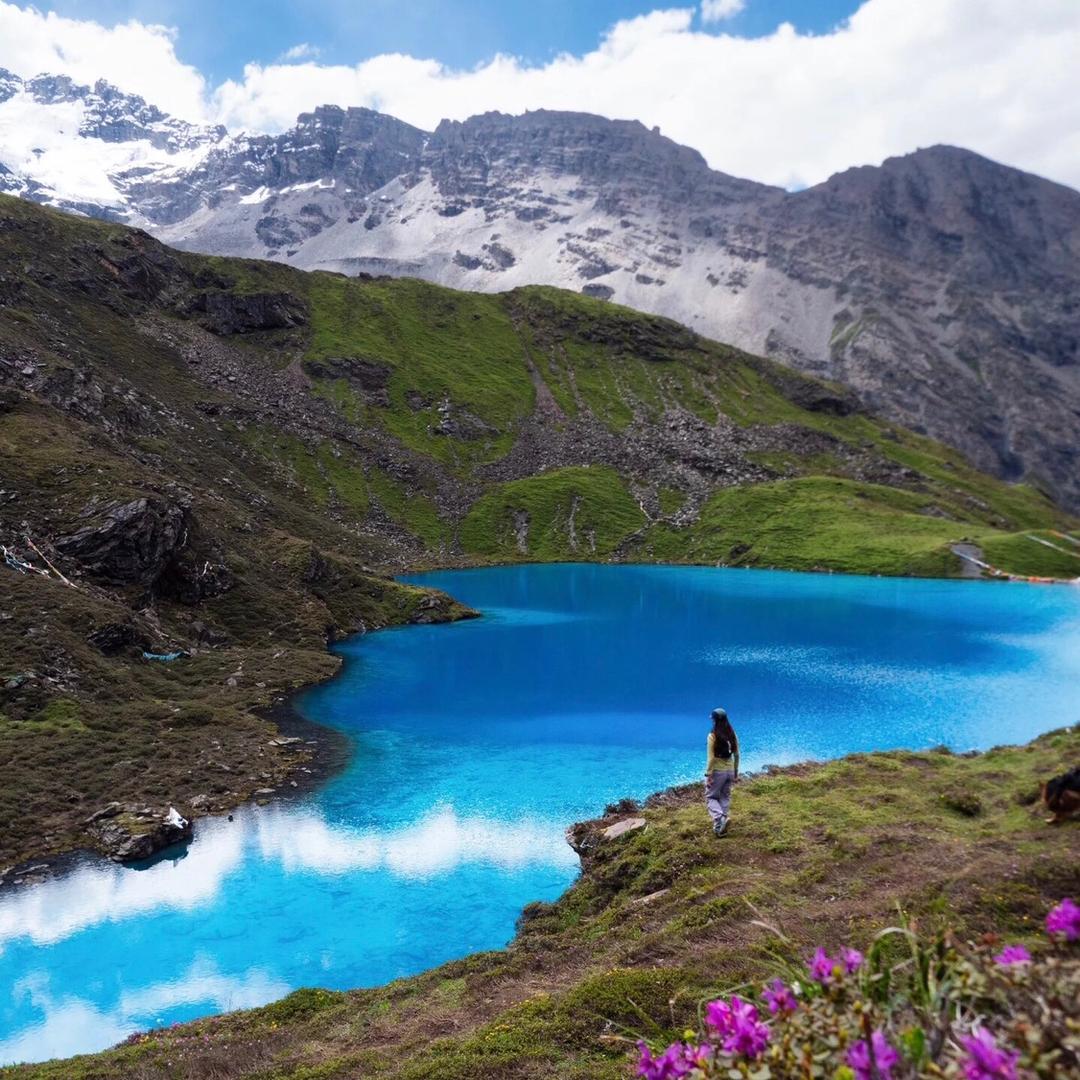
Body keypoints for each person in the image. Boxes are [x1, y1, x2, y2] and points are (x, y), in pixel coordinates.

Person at [705, 707, 739, 837]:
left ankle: (720, 819)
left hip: (717, 772)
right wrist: (735, 772)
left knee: (711, 797)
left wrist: (708, 775)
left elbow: (711, 758)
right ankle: (720, 827)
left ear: (714, 720)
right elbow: (737, 755)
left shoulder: (712, 735)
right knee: (725, 796)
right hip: (730, 770)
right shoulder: (732, 734)